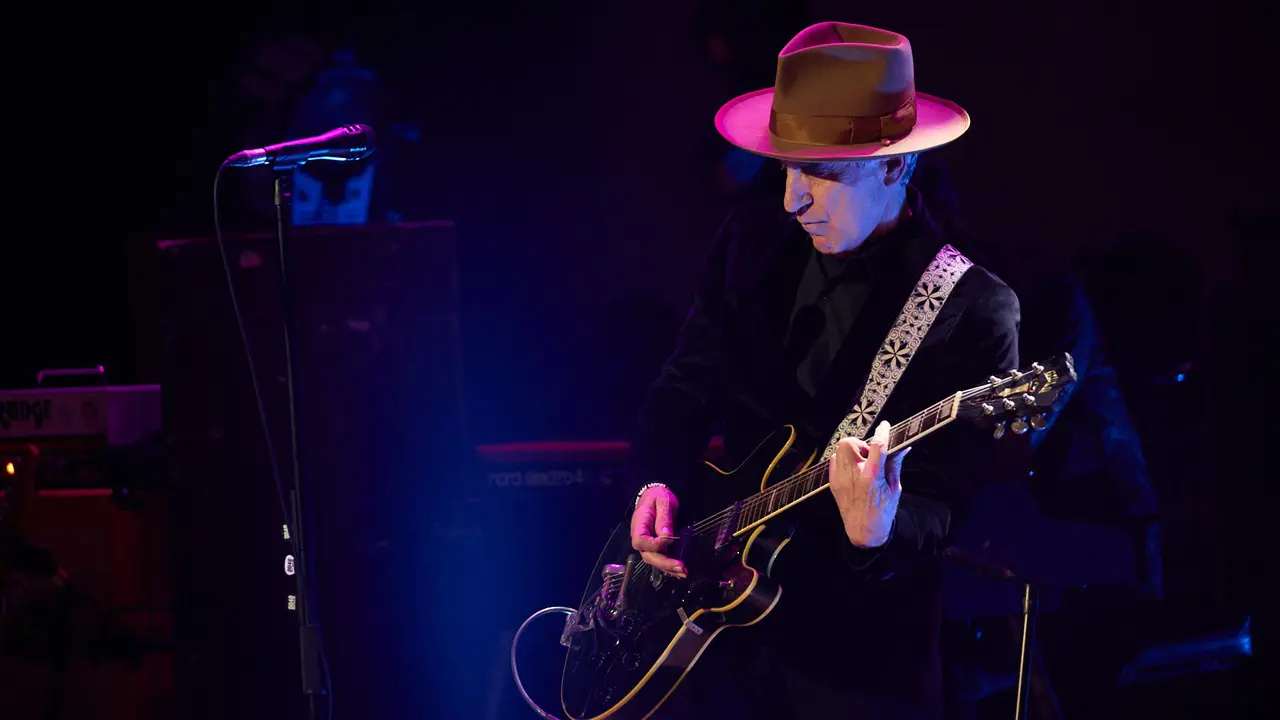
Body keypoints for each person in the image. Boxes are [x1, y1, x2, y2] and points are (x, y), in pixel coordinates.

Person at [625, 21, 1022, 720]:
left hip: (858, 664)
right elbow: (685, 380)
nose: (793, 199)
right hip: (714, 642)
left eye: (824, 174)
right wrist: (657, 478)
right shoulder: (751, 242)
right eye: (787, 167)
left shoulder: (973, 308)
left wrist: (878, 530)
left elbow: (945, 506)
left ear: (897, 166)